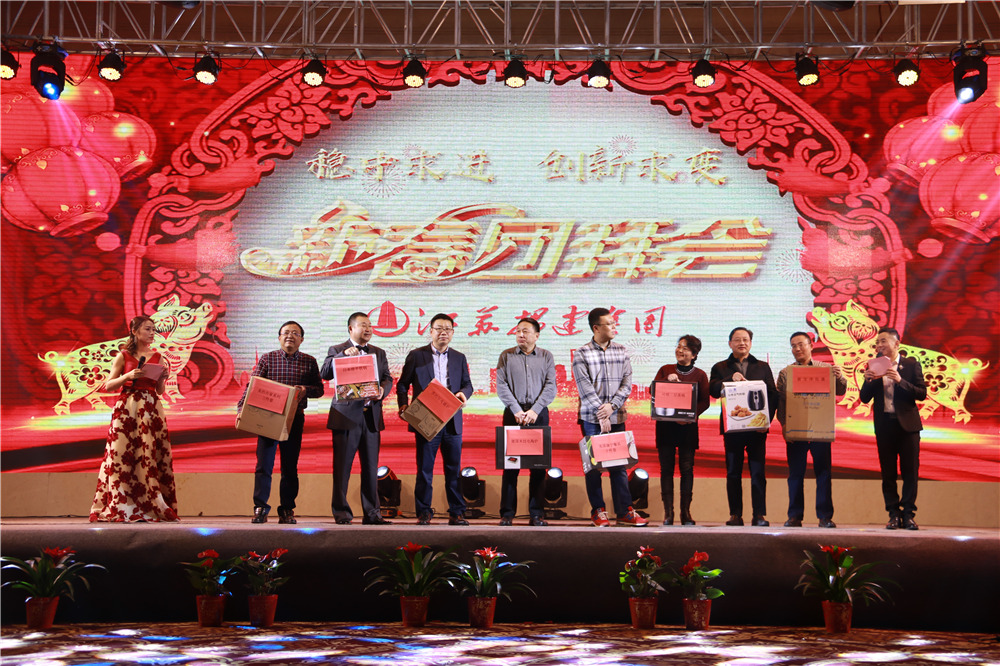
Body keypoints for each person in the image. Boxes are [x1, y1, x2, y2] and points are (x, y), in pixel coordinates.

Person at [90, 315, 179, 522]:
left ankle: (149, 503)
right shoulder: (123, 356)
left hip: (150, 408)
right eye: (147, 329)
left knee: (148, 455)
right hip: (127, 407)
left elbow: (159, 390)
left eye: (153, 330)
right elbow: (108, 385)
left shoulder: (158, 357)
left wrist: (162, 379)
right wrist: (127, 377)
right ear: (135, 331)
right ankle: (122, 504)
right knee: (121, 455)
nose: (152, 333)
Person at [238, 320, 324, 525]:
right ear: (279, 337)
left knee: (290, 466)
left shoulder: (309, 361)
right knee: (264, 465)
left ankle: (287, 509)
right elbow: (253, 385)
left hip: (294, 419)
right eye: (286, 332)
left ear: (302, 340)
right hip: (268, 417)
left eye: (295, 333)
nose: (290, 336)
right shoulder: (268, 358)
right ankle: (260, 507)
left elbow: (319, 389)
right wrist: (241, 408)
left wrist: (305, 390)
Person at [572, 307, 647, 527]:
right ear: (596, 328)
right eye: (609, 324)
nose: (614, 327)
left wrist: (612, 407)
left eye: (614, 323)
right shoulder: (582, 353)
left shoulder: (622, 351)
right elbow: (584, 387)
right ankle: (598, 511)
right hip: (591, 419)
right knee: (594, 466)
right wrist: (601, 411)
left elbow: (627, 383)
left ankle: (624, 511)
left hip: (617, 417)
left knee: (619, 465)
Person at [397, 313, 474, 525]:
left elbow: (468, 385)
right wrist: (403, 405)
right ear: (430, 331)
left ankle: (456, 512)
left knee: (453, 470)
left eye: (447, 329)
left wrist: (463, 394)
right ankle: (423, 512)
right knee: (424, 470)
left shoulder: (459, 357)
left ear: (452, 333)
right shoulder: (416, 355)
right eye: (439, 328)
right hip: (426, 419)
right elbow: (402, 384)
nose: (443, 332)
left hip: (452, 421)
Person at [320, 313, 394, 525]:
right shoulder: (337, 349)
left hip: (371, 417)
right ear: (351, 328)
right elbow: (325, 373)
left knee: (371, 469)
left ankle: (372, 514)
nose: (368, 329)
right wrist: (343, 355)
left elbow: (387, 377)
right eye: (363, 325)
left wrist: (383, 390)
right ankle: (342, 513)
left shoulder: (378, 352)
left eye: (370, 325)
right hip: (346, 417)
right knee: (342, 468)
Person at [775, 331, 847, 528]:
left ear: (811, 345)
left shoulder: (826, 369)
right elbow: (781, 403)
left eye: (801, 344)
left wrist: (839, 376)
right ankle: (794, 516)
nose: (797, 349)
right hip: (795, 430)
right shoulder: (786, 373)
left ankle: (825, 517)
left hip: (820, 429)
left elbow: (841, 390)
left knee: (823, 474)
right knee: (795, 475)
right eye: (793, 346)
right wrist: (784, 426)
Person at [709, 326, 778, 527]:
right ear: (730, 343)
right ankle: (735, 514)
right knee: (733, 473)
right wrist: (729, 379)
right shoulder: (720, 367)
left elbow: (772, 395)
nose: (742, 343)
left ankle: (759, 515)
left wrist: (766, 421)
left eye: (745, 339)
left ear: (751, 343)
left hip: (757, 429)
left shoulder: (762, 366)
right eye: (737, 340)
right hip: (733, 429)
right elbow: (713, 390)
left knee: (758, 473)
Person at [859, 327, 927, 530]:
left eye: (883, 341)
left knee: (910, 472)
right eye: (877, 343)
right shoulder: (874, 365)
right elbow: (864, 398)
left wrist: (900, 380)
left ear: (896, 344)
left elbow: (921, 393)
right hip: (884, 425)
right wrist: (868, 381)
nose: (879, 346)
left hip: (908, 427)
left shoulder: (911, 365)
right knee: (888, 473)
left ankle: (908, 514)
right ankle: (893, 514)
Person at [495, 317, 557, 527]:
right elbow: (502, 385)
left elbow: (550, 386)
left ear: (536, 335)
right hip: (513, 414)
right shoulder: (506, 356)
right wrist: (517, 410)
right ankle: (507, 514)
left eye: (525, 331)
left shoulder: (546, 356)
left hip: (538, 414)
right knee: (510, 466)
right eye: (518, 331)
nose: (520, 334)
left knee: (538, 467)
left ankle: (536, 514)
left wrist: (534, 410)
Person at [650, 335, 710, 526]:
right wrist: (666, 380)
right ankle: (669, 513)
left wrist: (690, 416)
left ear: (694, 354)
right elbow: (652, 391)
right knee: (666, 469)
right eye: (678, 346)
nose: (680, 350)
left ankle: (686, 513)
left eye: (685, 348)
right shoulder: (665, 369)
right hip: (666, 428)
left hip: (688, 429)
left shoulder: (700, 375)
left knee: (687, 469)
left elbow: (705, 402)